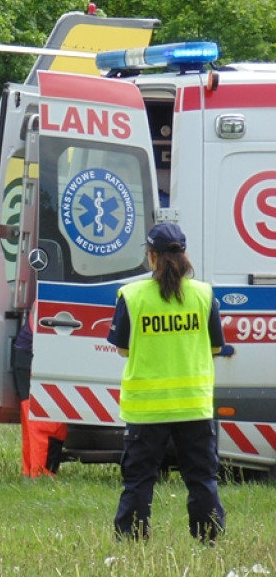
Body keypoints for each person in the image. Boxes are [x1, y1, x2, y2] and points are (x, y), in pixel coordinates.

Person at [107, 221, 226, 543]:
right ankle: (208, 539)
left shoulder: (132, 296)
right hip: (194, 406)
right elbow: (216, 347)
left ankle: (131, 539)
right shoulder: (203, 295)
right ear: (184, 256)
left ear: (152, 257)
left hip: (146, 409)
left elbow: (122, 348)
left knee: (139, 480)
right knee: (202, 478)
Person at [12, 318, 67, 478]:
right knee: (46, 423)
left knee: (35, 421)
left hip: (30, 354)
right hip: (36, 355)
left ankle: (31, 473)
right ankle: (41, 474)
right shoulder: (55, 296)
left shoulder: (52, 294)